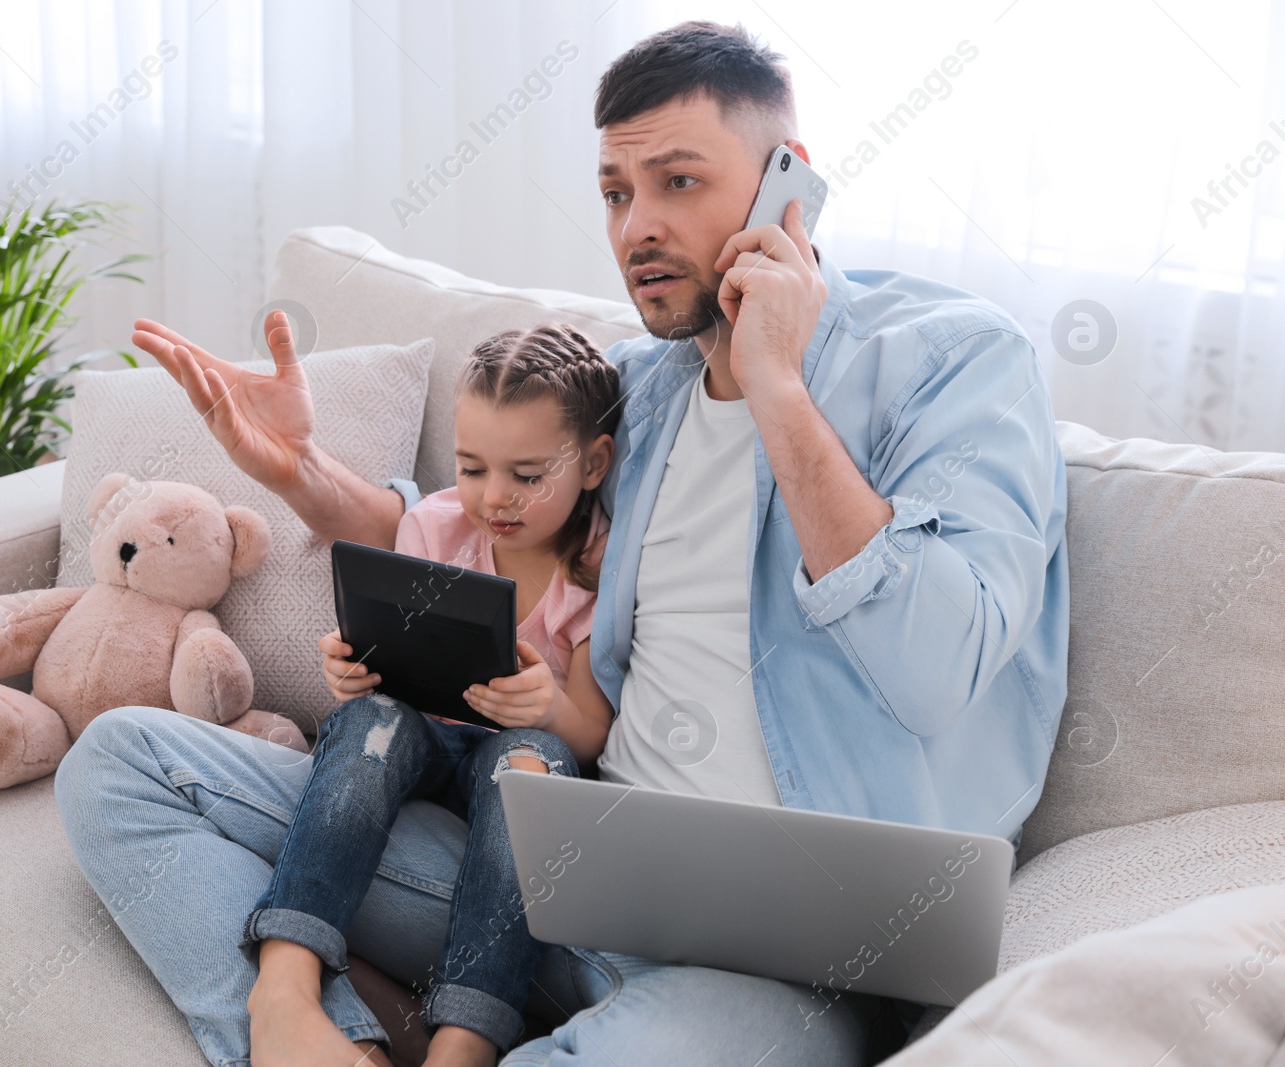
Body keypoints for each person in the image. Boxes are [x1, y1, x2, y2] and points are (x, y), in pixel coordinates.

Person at [55, 20, 1069, 1067]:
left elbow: (935, 665)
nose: (637, 227)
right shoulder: (635, 389)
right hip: (551, 861)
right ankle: (305, 1034)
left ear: (787, 187)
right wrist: (293, 472)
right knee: (120, 764)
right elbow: (466, 524)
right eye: (616, 191)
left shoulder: (956, 362)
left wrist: (778, 384)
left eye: (678, 181)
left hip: (779, 960)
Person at [245, 324, 619, 1066]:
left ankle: (467, 1037)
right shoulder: (434, 525)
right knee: (367, 719)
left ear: (593, 463)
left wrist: (545, 707)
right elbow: (391, 666)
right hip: (416, 732)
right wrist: (353, 670)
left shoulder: (598, 566)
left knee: (531, 764)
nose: (494, 497)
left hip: (515, 757)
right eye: (473, 467)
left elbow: (589, 733)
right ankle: (284, 980)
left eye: (527, 473)